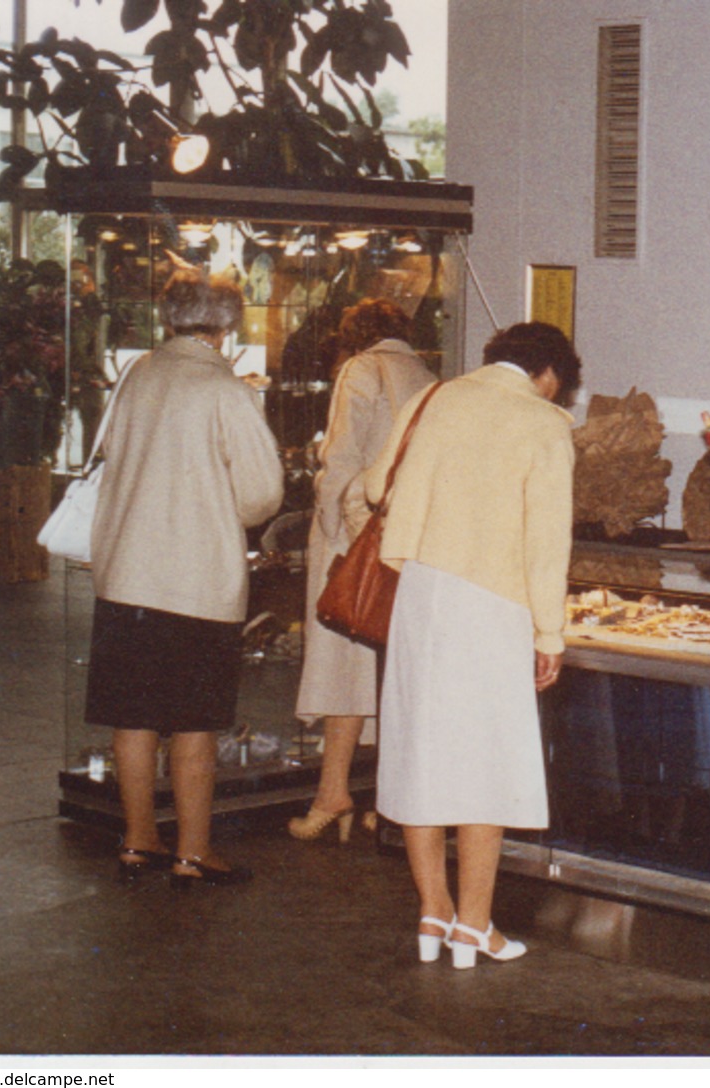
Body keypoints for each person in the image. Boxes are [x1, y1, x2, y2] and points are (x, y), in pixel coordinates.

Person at [365, 322, 580, 967]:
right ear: (549, 375)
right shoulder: (544, 423)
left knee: (419, 756)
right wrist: (550, 633)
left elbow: (377, 489)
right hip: (493, 606)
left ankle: (433, 912)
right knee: (483, 766)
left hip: (422, 596)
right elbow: (547, 546)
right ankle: (475, 926)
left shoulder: (435, 398)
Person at [85, 269, 284, 887]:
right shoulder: (224, 390)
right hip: (195, 581)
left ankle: (138, 839)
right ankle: (194, 852)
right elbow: (262, 494)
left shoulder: (138, 375)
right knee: (195, 723)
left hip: (125, 575)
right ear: (227, 327)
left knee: (134, 717)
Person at [289, 299, 434, 842]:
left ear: (354, 337)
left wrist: (330, 530)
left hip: (355, 539)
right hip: (407, 541)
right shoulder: (428, 377)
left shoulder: (361, 369)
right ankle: (380, 800)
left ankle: (333, 794)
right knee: (386, 675)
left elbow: (341, 458)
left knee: (340, 666)